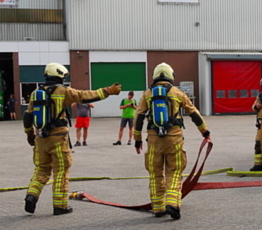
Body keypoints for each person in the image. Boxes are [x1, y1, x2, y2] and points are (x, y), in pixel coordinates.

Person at [23, 62, 120, 215]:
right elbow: (85, 96)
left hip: (40, 138)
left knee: (41, 170)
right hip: (58, 138)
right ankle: (60, 206)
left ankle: (31, 195)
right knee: (61, 171)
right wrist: (108, 91)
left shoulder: (36, 93)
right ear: (59, 75)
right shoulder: (63, 91)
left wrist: (30, 134)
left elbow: (27, 117)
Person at [133, 63, 210, 220]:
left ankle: (158, 207)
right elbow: (193, 113)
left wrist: (137, 140)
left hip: (154, 140)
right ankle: (173, 204)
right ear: (171, 76)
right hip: (174, 138)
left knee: (155, 173)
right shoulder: (177, 93)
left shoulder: (147, 94)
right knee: (174, 172)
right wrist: (205, 132)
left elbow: (139, 117)